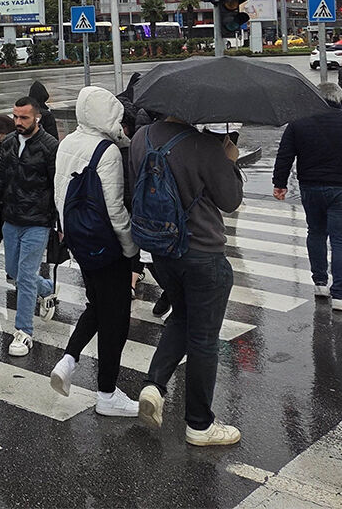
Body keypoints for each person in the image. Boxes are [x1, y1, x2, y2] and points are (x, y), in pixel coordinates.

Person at [129, 115, 244, 447]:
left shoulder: (141, 138)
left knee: (180, 316)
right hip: (202, 253)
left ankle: (154, 385)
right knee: (205, 340)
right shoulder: (205, 145)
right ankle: (199, 424)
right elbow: (230, 200)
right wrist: (229, 161)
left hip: (160, 250)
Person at [48, 87, 141, 417]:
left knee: (98, 305)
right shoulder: (108, 152)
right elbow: (115, 209)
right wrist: (131, 251)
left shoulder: (67, 144)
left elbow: (59, 194)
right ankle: (106, 394)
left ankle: (68, 360)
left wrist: (67, 234)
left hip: (79, 242)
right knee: (116, 319)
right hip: (107, 247)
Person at [273, 82, 342, 311]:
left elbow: (284, 155)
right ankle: (340, 295)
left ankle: (320, 283)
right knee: (341, 241)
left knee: (316, 233)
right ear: (339, 99)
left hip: (310, 187)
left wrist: (279, 184)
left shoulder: (298, 123)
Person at [0, 96, 58, 356]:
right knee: (14, 272)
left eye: (24, 117)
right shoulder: (10, 142)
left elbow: (57, 186)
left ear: (36, 117)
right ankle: (46, 289)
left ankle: (24, 332)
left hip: (37, 221)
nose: (18, 122)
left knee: (25, 276)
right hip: (12, 218)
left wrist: (59, 222)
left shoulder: (50, 146)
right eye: (15, 117)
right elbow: (0, 178)